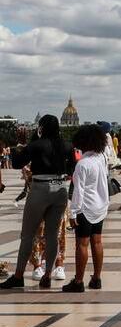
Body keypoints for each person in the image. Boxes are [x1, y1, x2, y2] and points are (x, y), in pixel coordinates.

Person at [2, 115, 75, 290]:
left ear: (41, 128)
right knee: (53, 235)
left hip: (40, 188)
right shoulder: (67, 146)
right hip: (60, 189)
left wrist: (20, 145)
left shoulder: (37, 145)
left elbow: (17, 164)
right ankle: (48, 274)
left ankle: (19, 275)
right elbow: (72, 168)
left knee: (27, 234)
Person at [62, 125, 110, 292]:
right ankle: (96, 278)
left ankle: (78, 281)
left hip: (85, 208)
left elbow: (78, 190)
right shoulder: (101, 158)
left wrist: (73, 212)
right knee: (97, 241)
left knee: (81, 244)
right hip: (100, 206)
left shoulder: (83, 164)